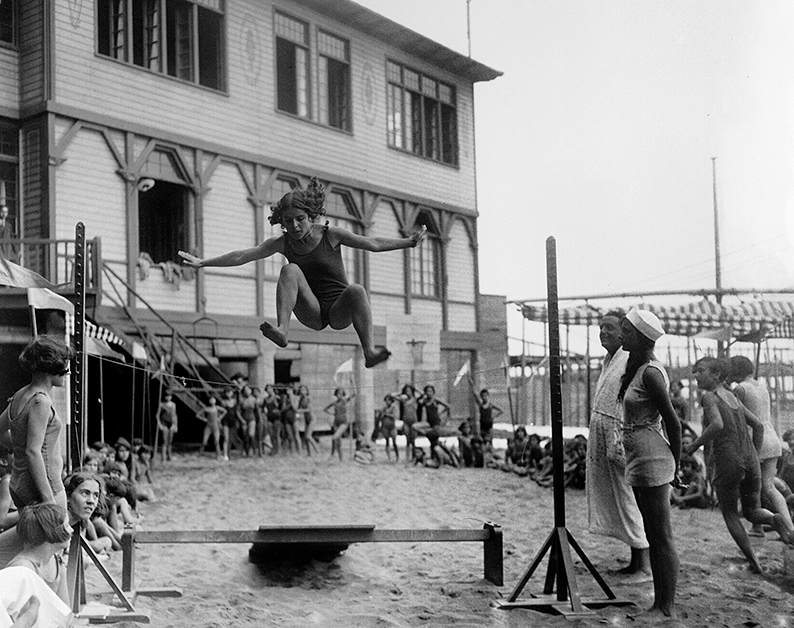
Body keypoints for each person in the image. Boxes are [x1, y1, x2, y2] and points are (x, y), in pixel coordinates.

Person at [179, 178, 426, 368]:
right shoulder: (283, 243)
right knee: (290, 269)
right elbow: (243, 255)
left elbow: (373, 243)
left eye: (300, 219)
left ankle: (369, 352)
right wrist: (203, 262)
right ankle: (283, 330)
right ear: (282, 221)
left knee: (357, 289)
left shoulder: (331, 234)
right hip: (312, 312)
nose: (294, 226)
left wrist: (408, 242)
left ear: (311, 215)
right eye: (288, 221)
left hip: (339, 310)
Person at [685, 357, 794, 573]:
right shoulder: (733, 397)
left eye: (700, 371)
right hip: (750, 459)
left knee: (730, 514)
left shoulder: (710, 396)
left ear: (716, 375)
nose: (695, 375)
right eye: (694, 371)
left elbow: (717, 424)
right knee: (752, 512)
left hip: (729, 461)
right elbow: (759, 426)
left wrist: (693, 446)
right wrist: (753, 451)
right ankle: (775, 519)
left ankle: (754, 562)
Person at [617, 309, 681, 618]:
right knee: (652, 534)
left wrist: (677, 466)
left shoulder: (652, 373)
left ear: (641, 338)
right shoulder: (637, 368)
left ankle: (665, 606)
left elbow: (673, 422)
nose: (622, 335)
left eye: (627, 331)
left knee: (661, 535)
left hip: (653, 456)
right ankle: (659, 602)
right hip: (639, 457)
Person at [586, 310, 651, 579]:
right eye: (601, 327)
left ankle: (644, 564)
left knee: (628, 497)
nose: (604, 332)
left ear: (624, 332)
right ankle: (636, 560)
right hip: (602, 431)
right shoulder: (609, 360)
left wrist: (619, 435)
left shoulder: (629, 359)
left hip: (619, 432)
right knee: (618, 497)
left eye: (610, 328)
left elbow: (630, 399)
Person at [0, 336, 73, 512]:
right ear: (51, 366)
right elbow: (33, 451)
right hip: (44, 486)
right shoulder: (41, 402)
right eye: (65, 365)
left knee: (31, 538)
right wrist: (48, 499)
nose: (68, 371)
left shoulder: (19, 395)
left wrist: (18, 444)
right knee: (59, 537)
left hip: (19, 483)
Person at [728, 355, 793, 537]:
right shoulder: (761, 386)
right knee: (768, 486)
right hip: (771, 437)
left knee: (752, 486)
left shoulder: (740, 389)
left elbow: (736, 416)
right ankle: (779, 527)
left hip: (756, 440)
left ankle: (779, 526)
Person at [7, 503, 71, 604]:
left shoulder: (56, 561)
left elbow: (65, 609)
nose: (71, 530)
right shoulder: (22, 568)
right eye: (66, 526)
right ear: (49, 530)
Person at [468, 378, 503, 444]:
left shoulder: (490, 405)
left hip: (489, 426)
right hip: (482, 426)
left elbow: (501, 410)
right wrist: (471, 384)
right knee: (482, 440)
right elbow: (475, 394)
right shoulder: (481, 404)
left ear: (488, 396)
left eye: (485, 396)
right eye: (483, 396)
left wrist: (493, 417)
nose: (484, 397)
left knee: (489, 441)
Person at [324, 388, 355, 461]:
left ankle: (332, 455)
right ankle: (341, 459)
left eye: (341, 394)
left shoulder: (344, 400)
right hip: (336, 423)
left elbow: (354, 393)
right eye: (338, 394)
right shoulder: (334, 403)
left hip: (343, 423)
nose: (339, 395)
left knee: (334, 437)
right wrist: (332, 413)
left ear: (343, 394)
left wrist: (352, 382)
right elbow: (325, 409)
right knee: (338, 442)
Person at [197, 395, 226, 459]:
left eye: (213, 399)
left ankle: (218, 455)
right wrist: (204, 419)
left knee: (216, 441)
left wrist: (219, 418)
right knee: (204, 441)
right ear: (209, 401)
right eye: (211, 400)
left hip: (216, 426)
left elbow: (224, 411)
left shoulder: (217, 407)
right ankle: (200, 453)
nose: (212, 401)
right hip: (208, 426)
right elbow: (198, 415)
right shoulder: (206, 408)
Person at [398, 384, 420, 462]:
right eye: (406, 391)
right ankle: (407, 457)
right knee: (407, 440)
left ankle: (414, 457)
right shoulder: (404, 400)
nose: (408, 392)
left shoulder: (415, 399)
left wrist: (416, 389)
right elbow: (393, 396)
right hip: (406, 421)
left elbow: (422, 395)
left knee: (413, 440)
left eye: (409, 390)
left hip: (413, 421)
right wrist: (401, 393)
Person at [238, 386, 261, 457]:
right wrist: (241, 419)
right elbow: (238, 411)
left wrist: (259, 419)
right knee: (245, 436)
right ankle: (247, 451)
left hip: (252, 418)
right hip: (244, 418)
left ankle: (253, 450)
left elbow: (257, 410)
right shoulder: (242, 400)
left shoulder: (253, 399)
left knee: (251, 434)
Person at [156, 392, 178, 462]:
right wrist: (160, 425)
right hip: (164, 424)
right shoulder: (161, 405)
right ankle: (163, 458)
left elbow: (175, 415)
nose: (168, 397)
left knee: (170, 441)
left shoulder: (173, 405)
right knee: (164, 441)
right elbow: (157, 415)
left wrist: (175, 425)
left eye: (169, 396)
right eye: (166, 396)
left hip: (171, 424)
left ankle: (169, 456)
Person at [297, 385, 318, 456]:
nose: (303, 391)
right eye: (301, 390)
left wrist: (299, 411)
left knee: (308, 436)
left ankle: (318, 451)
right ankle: (309, 453)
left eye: (304, 390)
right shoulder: (301, 399)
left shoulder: (309, 398)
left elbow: (309, 409)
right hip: (307, 419)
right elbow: (297, 408)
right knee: (305, 437)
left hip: (312, 418)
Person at [379, 395, 399, 462]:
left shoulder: (393, 407)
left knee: (394, 442)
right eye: (386, 401)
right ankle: (389, 457)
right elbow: (381, 417)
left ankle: (397, 456)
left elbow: (394, 416)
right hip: (385, 426)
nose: (387, 402)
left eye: (389, 400)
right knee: (387, 441)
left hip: (392, 426)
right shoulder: (384, 408)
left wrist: (386, 414)